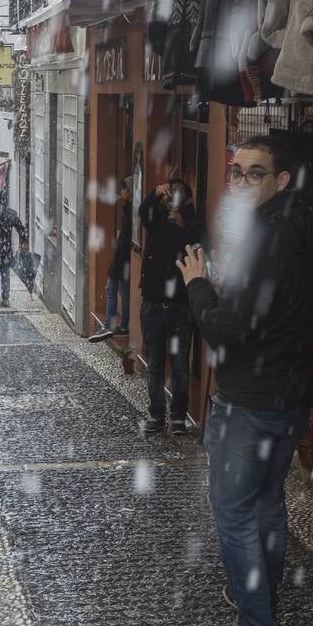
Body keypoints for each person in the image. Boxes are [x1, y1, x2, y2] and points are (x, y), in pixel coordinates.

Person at [175, 136, 313, 626]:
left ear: (282, 181)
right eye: (235, 172)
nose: (238, 183)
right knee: (266, 505)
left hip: (251, 400)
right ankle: (256, 597)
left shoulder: (263, 239)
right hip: (289, 397)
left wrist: (198, 287)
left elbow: (227, 330)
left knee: (235, 513)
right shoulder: (307, 230)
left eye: (253, 174)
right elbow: (277, 311)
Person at [137, 177, 205, 436]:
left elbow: (199, 243)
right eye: (170, 194)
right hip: (153, 303)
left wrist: (183, 226)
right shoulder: (156, 220)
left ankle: (178, 416)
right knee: (154, 363)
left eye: (178, 194)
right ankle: (156, 414)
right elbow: (143, 212)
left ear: (187, 200)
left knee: (179, 365)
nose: (172, 198)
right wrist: (155, 193)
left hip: (180, 305)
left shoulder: (193, 223)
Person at [89, 179, 133, 342]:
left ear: (129, 191)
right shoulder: (128, 210)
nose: (120, 192)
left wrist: (119, 254)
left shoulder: (130, 212)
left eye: (123, 190)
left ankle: (110, 326)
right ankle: (119, 325)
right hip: (122, 259)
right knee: (120, 291)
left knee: (114, 290)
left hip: (122, 259)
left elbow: (126, 238)